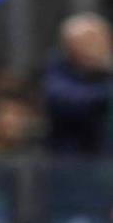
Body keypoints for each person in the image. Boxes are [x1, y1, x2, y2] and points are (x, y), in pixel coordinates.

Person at [44, 12, 113, 155]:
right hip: (76, 161)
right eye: (85, 43)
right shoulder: (58, 72)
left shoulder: (106, 72)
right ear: (69, 47)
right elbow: (71, 101)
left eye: (97, 41)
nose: (92, 48)